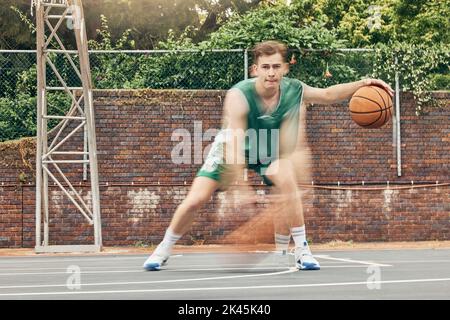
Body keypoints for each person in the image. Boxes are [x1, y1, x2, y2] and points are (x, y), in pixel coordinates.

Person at [143, 40, 393, 271]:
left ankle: (302, 249)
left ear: (284, 68)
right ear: (255, 70)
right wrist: (241, 188)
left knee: (287, 179)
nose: (271, 72)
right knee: (197, 198)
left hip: (268, 149)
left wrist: (364, 83)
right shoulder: (239, 95)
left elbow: (328, 95)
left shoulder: (294, 90)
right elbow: (235, 146)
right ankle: (164, 248)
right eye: (265, 67)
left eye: (276, 66)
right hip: (232, 147)